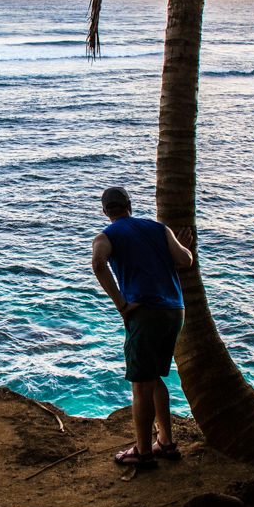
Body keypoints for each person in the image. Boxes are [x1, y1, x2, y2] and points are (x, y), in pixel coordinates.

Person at [91, 185, 194, 469]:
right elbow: (185, 260)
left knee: (140, 385)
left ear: (105, 211)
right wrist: (181, 243)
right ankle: (167, 443)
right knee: (154, 378)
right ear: (130, 206)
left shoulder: (106, 235)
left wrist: (121, 304)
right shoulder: (159, 229)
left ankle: (144, 453)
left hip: (145, 314)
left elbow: (98, 264)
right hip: (175, 311)